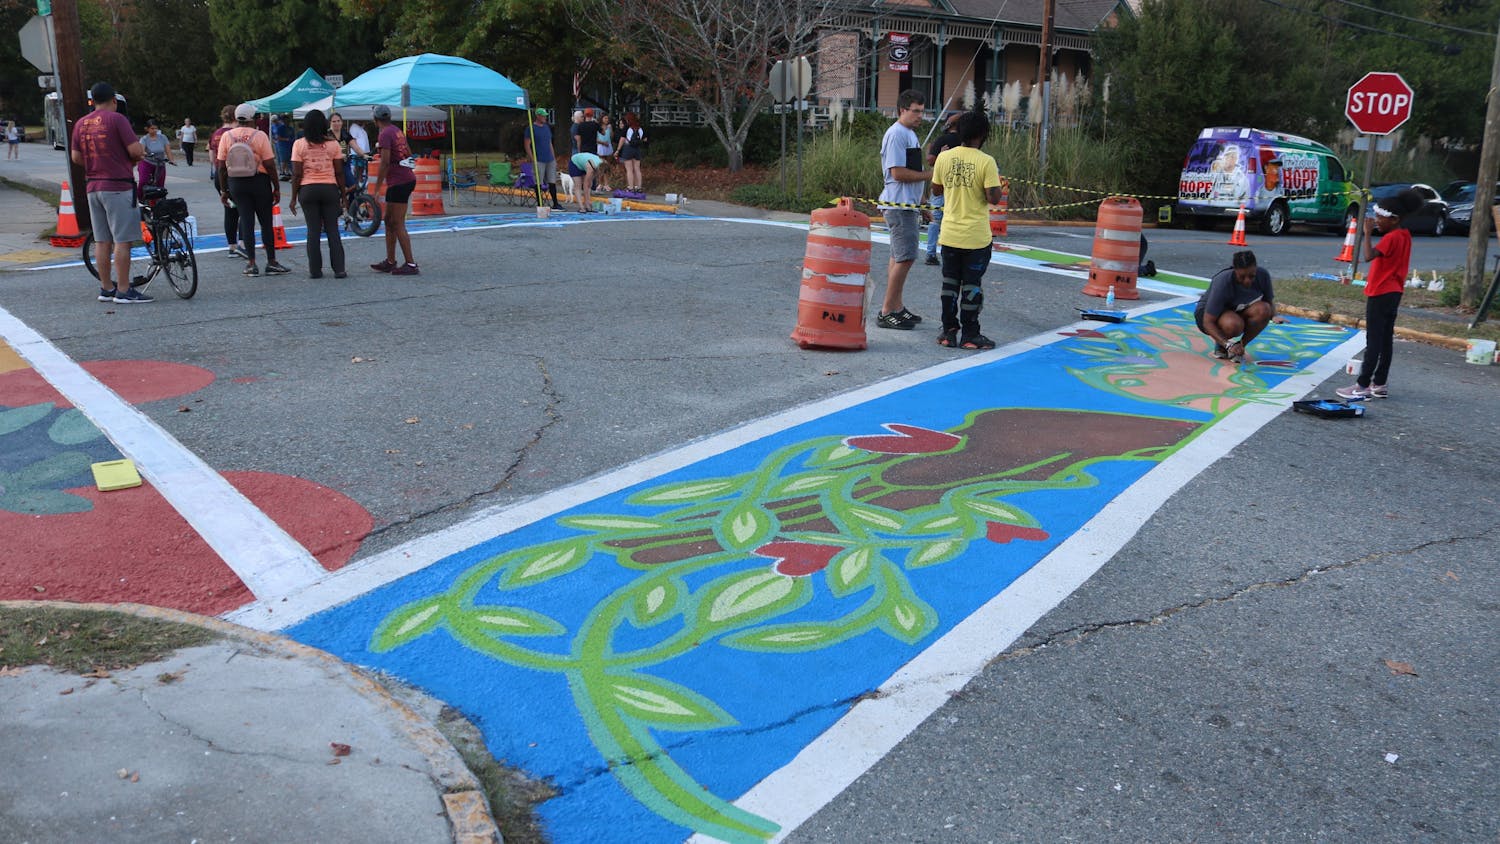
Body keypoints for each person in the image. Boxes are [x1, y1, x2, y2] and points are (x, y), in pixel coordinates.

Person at [1336, 189, 1422, 400]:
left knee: (1373, 340)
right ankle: (1380, 383)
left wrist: (1366, 233)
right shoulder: (1405, 235)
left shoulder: (1390, 238)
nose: (1376, 221)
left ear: (1394, 220)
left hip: (1380, 292)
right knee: (1385, 339)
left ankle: (1362, 384)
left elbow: (1368, 256)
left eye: (1380, 218)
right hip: (1394, 292)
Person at [930, 110, 1003, 350]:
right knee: (971, 285)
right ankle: (971, 334)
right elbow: (993, 198)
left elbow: (937, 190)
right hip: (976, 237)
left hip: (950, 233)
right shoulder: (986, 161)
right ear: (983, 134)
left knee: (949, 284)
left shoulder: (944, 158)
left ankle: (948, 331)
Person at [71, 82, 151, 304]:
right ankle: (124, 290)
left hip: (93, 186)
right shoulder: (117, 120)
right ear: (114, 100)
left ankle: (106, 287)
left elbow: (76, 157)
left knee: (102, 241)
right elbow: (135, 150)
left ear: (93, 101)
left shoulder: (81, 123)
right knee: (122, 241)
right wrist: (135, 157)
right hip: (118, 186)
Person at [875, 90, 933, 330]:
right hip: (898, 204)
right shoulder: (897, 134)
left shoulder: (910, 135)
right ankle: (887, 310)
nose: (920, 115)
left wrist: (923, 202)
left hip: (907, 204)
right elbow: (897, 172)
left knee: (898, 256)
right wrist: (931, 174)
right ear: (902, 110)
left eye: (922, 110)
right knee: (906, 257)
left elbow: (912, 171)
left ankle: (897, 307)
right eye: (915, 111)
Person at [218, 103, 288, 276]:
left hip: (236, 183)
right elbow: (270, 164)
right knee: (266, 222)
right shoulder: (260, 136)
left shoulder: (227, 136)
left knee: (247, 222)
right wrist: (276, 187)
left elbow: (220, 166)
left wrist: (224, 190)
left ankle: (251, 264)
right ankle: (271, 262)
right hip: (259, 181)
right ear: (253, 118)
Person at [289, 109, 346, 280]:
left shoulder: (299, 144)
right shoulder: (333, 145)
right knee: (332, 230)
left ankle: (315, 270)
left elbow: (296, 174)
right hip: (329, 189)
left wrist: (293, 198)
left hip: (308, 189)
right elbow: (339, 173)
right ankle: (339, 269)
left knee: (313, 231)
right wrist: (343, 195)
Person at [1194, 249, 1275, 364]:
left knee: (1264, 310)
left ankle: (1239, 347)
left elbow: (1269, 301)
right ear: (1234, 270)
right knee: (1234, 325)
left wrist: (1274, 315)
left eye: (1251, 276)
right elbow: (1208, 322)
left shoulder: (1263, 275)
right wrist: (1227, 344)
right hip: (1207, 315)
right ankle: (1222, 344)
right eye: (1242, 277)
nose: (1247, 281)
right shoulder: (1223, 281)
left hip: (1235, 310)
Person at [369, 104, 419, 275]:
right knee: (389, 220)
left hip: (398, 182)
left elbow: (385, 162)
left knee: (397, 223)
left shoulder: (384, 134)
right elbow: (408, 152)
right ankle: (390, 261)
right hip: (404, 178)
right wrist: (408, 169)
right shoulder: (396, 131)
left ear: (375, 120)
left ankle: (411, 264)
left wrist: (376, 189)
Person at [923, 113, 961, 266]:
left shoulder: (942, 140)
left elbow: (931, 161)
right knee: (957, 220)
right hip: (959, 187)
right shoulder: (966, 142)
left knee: (935, 220)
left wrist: (930, 151)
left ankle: (931, 253)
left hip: (940, 185)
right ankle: (954, 254)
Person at [208, 105, 245, 259]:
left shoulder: (216, 134)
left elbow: (212, 158)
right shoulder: (236, 134)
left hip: (220, 174)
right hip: (236, 174)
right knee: (244, 209)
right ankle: (243, 243)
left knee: (229, 209)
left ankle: (232, 246)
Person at [523, 107, 563, 210]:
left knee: (552, 181)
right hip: (539, 159)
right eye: (543, 116)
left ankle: (555, 203)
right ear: (538, 116)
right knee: (539, 182)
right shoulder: (531, 128)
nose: (545, 117)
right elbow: (527, 144)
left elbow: (549, 143)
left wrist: (553, 158)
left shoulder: (546, 128)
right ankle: (540, 204)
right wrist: (533, 158)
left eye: (545, 115)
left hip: (549, 158)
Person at [136, 119, 175, 201]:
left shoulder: (162, 137)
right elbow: (141, 150)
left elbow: (168, 149)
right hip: (147, 162)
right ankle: (139, 199)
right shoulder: (144, 139)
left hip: (159, 163)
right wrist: (145, 153)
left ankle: (159, 202)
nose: (154, 130)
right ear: (147, 129)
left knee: (160, 184)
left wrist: (171, 160)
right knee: (143, 181)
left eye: (156, 128)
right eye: (152, 128)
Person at [618, 112, 646, 193]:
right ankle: (639, 187)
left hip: (628, 149)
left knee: (629, 169)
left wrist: (618, 150)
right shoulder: (640, 128)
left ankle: (631, 187)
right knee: (637, 169)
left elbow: (622, 139)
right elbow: (642, 139)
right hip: (637, 149)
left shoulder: (627, 128)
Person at [271, 114, 295, 180]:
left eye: (288, 120)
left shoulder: (291, 128)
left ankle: (288, 172)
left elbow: (293, 136)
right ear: (283, 121)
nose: (287, 121)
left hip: (290, 145)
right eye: (286, 120)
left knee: (289, 159)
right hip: (282, 145)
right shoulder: (280, 128)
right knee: (283, 159)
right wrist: (286, 139)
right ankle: (282, 172)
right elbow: (277, 137)